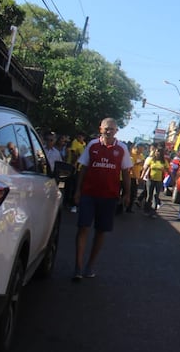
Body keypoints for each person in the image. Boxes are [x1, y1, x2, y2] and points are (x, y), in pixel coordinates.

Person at [72, 118, 132, 280]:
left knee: (100, 231)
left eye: (112, 129)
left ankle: (89, 266)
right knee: (83, 227)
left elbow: (126, 172)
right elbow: (83, 168)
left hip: (109, 197)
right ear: (100, 129)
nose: (109, 131)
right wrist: (77, 191)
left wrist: (127, 194)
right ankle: (78, 267)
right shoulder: (92, 145)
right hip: (89, 194)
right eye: (106, 128)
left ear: (116, 131)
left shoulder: (122, 149)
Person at [141, 147, 169, 217]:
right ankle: (146, 210)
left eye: (159, 152)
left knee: (156, 195)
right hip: (151, 179)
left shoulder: (164, 161)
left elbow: (168, 170)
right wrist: (142, 176)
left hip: (159, 180)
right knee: (149, 195)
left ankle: (153, 212)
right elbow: (146, 168)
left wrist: (173, 178)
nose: (158, 153)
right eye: (157, 151)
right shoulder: (151, 160)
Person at [125, 144, 145, 213]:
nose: (141, 151)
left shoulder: (141, 155)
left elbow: (142, 164)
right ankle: (122, 207)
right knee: (127, 192)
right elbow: (131, 166)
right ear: (136, 148)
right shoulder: (131, 154)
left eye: (142, 150)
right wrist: (138, 163)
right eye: (140, 149)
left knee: (134, 193)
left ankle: (129, 208)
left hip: (137, 176)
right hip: (130, 176)